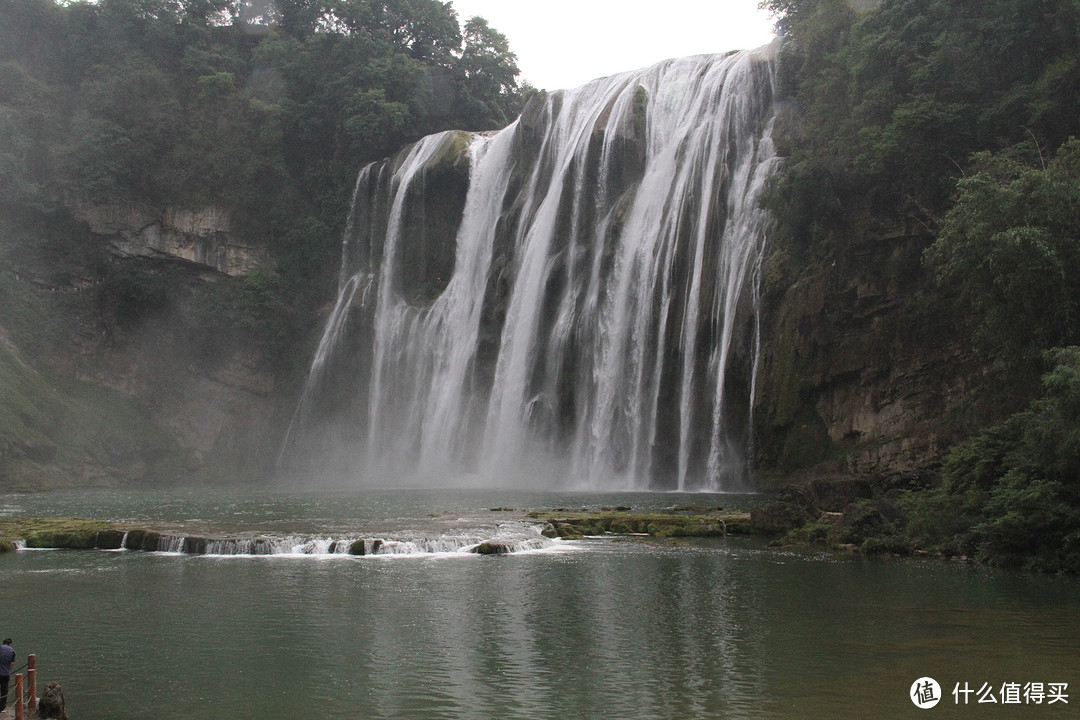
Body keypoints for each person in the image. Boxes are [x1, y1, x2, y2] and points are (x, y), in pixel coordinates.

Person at [0, 638, 14, 713]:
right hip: (5, 674)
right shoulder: (12, 650)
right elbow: (12, 663)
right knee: (4, 691)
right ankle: (1, 708)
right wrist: (8, 670)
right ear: (10, 644)